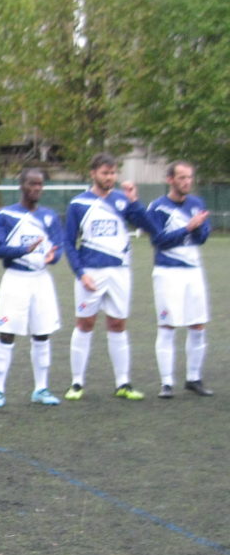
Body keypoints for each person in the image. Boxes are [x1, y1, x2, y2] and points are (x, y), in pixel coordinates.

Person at [63, 153, 157, 401]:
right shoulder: (78, 204)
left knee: (118, 324)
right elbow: (68, 243)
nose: (110, 177)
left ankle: (123, 383)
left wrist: (135, 201)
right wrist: (80, 273)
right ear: (93, 173)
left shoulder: (123, 200)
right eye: (105, 173)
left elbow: (150, 227)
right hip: (91, 272)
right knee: (85, 324)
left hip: (120, 271)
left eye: (113, 173)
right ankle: (76, 383)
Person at [0, 168, 64, 407]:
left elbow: (58, 248)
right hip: (16, 278)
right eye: (32, 184)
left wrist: (54, 256)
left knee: (42, 333)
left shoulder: (50, 216)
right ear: (22, 185)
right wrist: (24, 250)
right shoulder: (7, 215)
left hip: (41, 279)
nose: (37, 188)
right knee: (7, 332)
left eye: (40, 184)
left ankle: (41, 388)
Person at [148, 161, 213, 398]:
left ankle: (193, 378)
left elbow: (203, 236)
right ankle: (166, 383)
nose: (187, 182)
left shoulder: (197, 204)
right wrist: (188, 228)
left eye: (189, 177)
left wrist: (197, 229)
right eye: (182, 177)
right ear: (170, 180)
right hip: (168, 272)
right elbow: (158, 240)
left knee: (197, 325)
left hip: (193, 271)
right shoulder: (157, 207)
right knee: (168, 325)